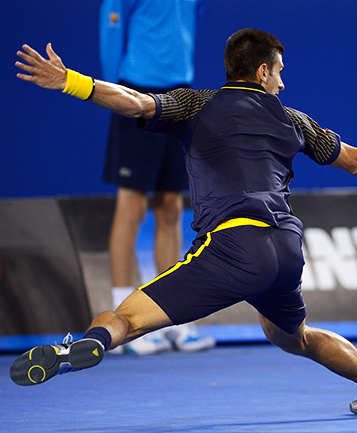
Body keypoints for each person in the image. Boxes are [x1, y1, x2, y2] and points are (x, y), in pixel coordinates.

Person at [11, 29, 357, 416]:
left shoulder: (196, 104)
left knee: (126, 320)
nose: (283, 84)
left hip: (232, 248)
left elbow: (135, 102)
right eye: (280, 73)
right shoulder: (294, 120)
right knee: (295, 338)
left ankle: (85, 345)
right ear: (262, 71)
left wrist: (71, 81)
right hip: (286, 248)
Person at [99, 0, 214, 354]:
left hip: (179, 96)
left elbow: (189, 23)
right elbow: (111, 31)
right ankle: (120, 320)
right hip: (134, 93)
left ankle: (170, 318)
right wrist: (114, 93)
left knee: (170, 208)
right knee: (131, 206)